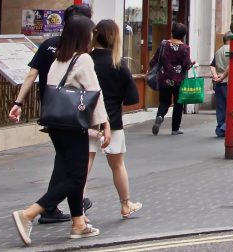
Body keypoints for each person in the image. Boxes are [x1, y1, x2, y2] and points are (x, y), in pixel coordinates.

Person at [10, 15, 108, 245]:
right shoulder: (83, 59)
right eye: (91, 33)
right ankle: (29, 214)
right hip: (74, 125)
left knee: (70, 173)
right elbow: (95, 94)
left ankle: (78, 224)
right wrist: (105, 124)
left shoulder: (58, 59)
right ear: (83, 36)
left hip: (55, 123)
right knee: (76, 177)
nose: (93, 38)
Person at [88, 20, 142, 219]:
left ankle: (78, 212)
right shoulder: (118, 64)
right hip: (113, 122)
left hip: (87, 121)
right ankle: (126, 204)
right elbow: (132, 99)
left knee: (84, 168)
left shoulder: (86, 61)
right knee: (117, 165)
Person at [151, 22, 193, 135]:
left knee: (164, 102)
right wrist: (192, 64)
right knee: (179, 103)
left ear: (172, 32)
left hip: (164, 78)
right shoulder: (185, 48)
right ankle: (175, 128)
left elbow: (154, 60)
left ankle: (160, 116)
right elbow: (186, 65)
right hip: (179, 81)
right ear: (184, 34)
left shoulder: (164, 44)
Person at [210, 32, 232, 138]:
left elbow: (212, 65)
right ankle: (224, 127)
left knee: (220, 107)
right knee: (232, 106)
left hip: (218, 84)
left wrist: (215, 77)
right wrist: (223, 76)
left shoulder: (218, 51)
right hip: (228, 82)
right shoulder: (232, 51)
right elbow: (230, 66)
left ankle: (220, 128)